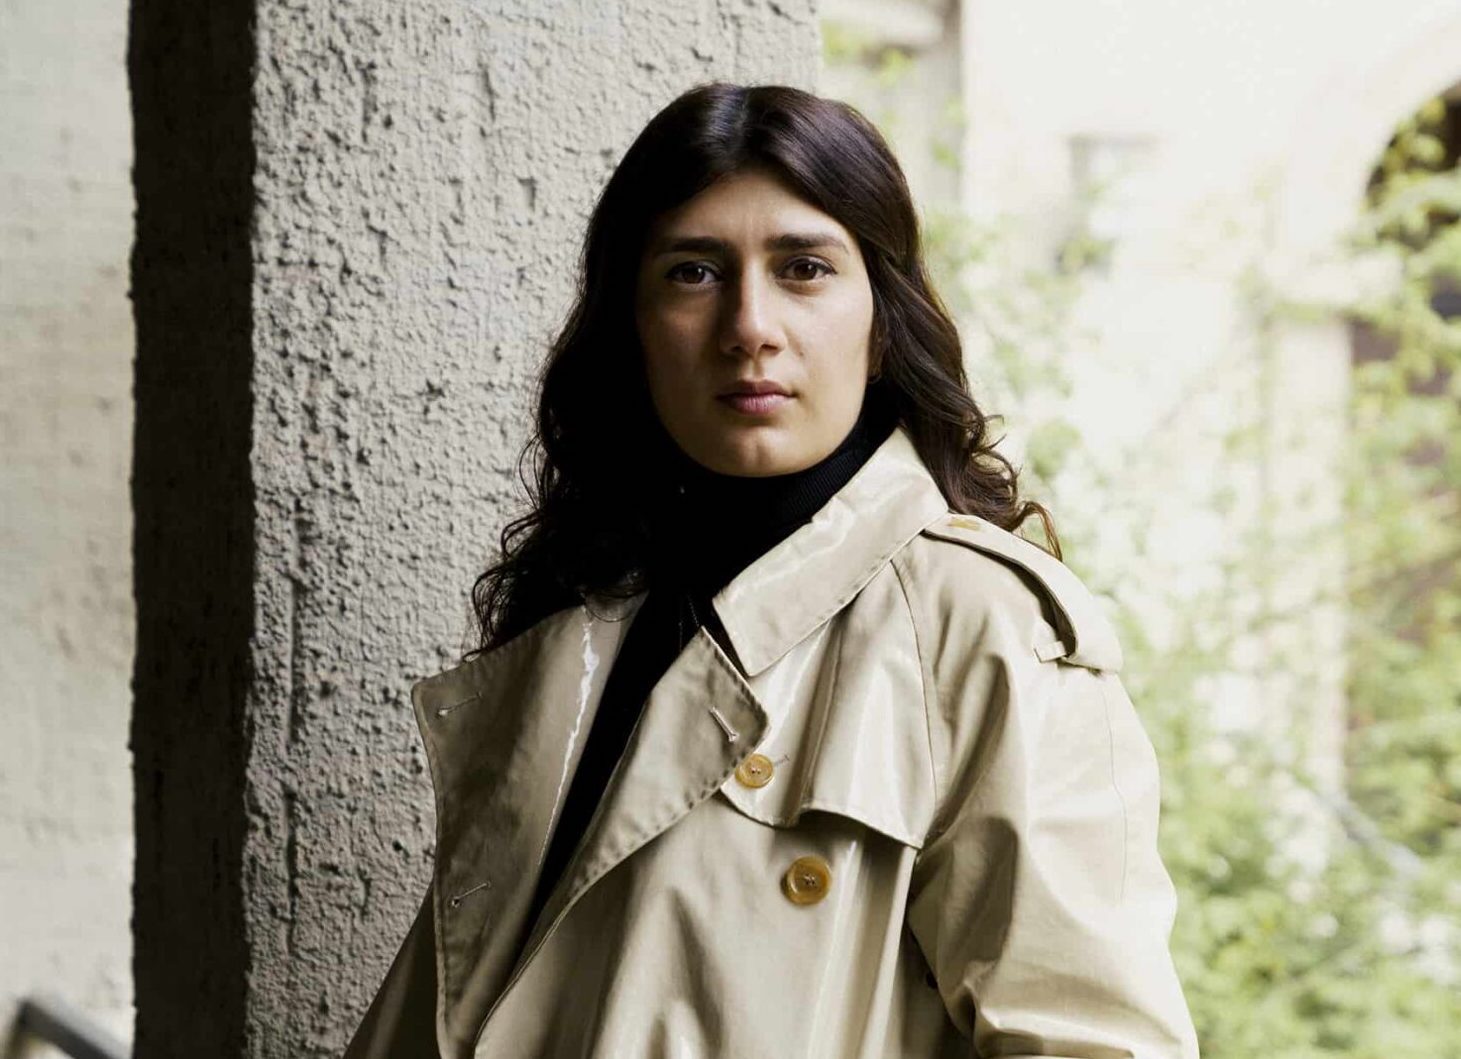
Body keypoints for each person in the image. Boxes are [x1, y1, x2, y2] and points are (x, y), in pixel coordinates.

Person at [343, 81, 1199, 1059]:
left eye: (803, 268)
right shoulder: (579, 620)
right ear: (633, 326)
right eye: (693, 272)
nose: (749, 324)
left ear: (882, 323)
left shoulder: (979, 624)